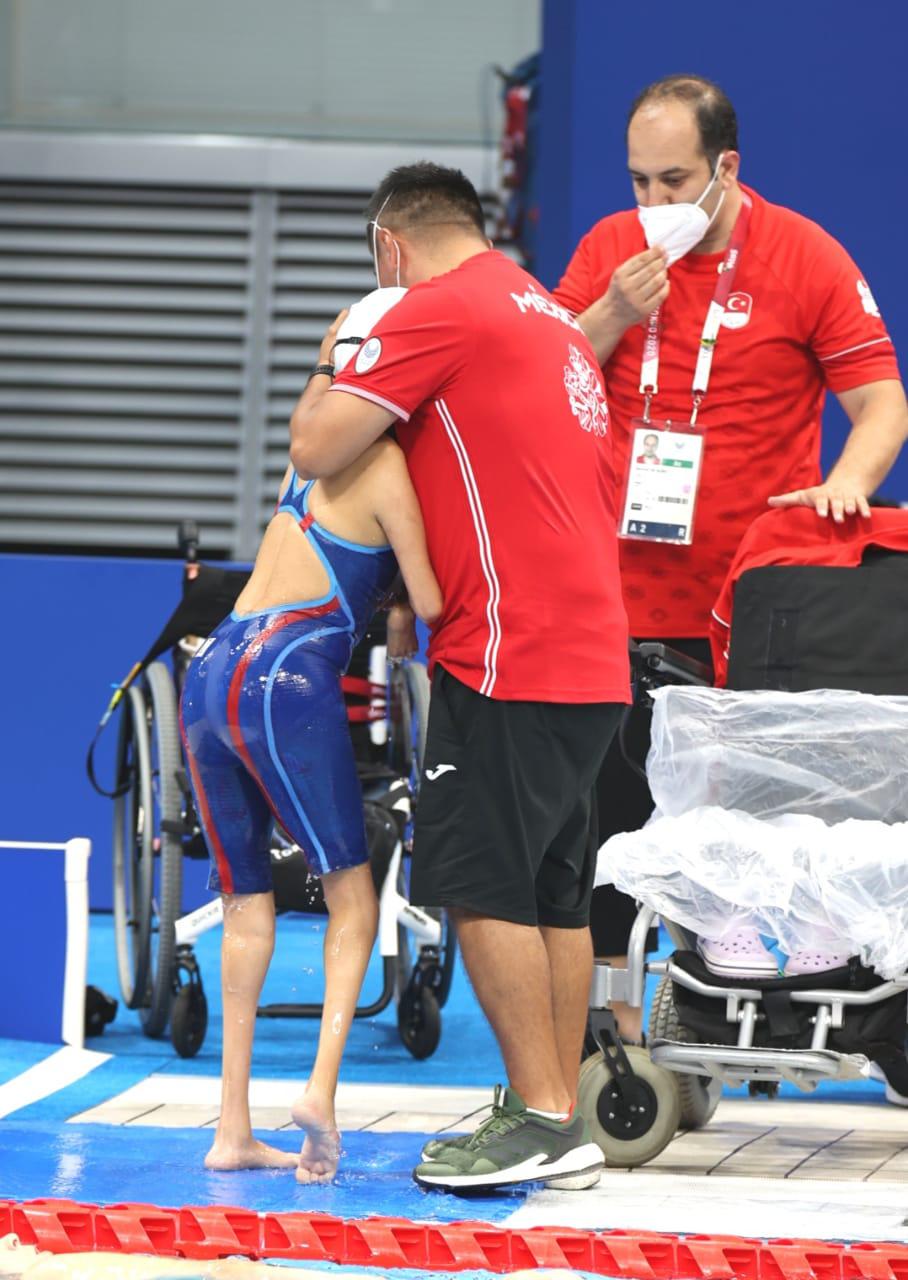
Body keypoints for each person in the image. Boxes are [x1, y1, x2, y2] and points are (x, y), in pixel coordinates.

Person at [288, 161, 631, 1191]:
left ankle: (537, 1114)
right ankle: (557, 1107)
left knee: (479, 885)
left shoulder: (435, 310)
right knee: (551, 894)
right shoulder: (547, 314)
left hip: (506, 650)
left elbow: (313, 445)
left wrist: (337, 349)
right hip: (589, 652)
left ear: (389, 249)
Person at [553, 73, 908, 1006]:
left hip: (752, 611)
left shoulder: (806, 256)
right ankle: (617, 1034)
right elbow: (551, 380)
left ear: (726, 168)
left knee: (749, 839)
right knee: (614, 835)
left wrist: (847, 485)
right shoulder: (609, 250)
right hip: (617, 597)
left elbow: (880, 402)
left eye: (674, 181)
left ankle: (756, 1012)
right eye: (638, 183)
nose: (654, 205)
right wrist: (616, 312)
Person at [178, 352, 442, 1182]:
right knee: (352, 896)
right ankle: (319, 1096)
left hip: (207, 669)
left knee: (244, 900)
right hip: (284, 675)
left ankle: (232, 1129)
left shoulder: (305, 467)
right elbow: (433, 603)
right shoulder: (392, 464)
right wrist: (406, 595)